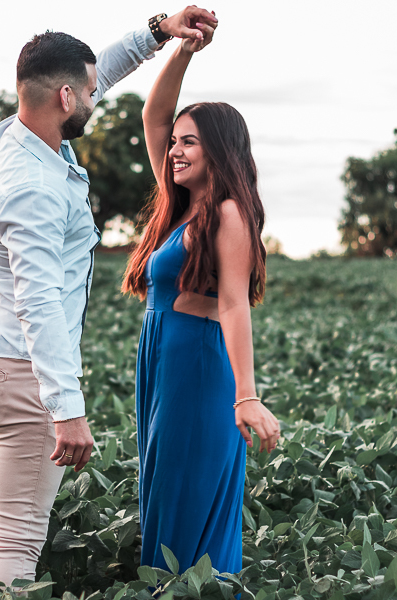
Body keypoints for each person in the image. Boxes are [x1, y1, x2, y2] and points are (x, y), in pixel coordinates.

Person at [0, 8, 219, 594]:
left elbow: (93, 73)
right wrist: (66, 410)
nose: (98, 99)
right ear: (66, 98)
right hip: (21, 376)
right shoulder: (36, 189)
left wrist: (157, 33)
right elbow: (38, 301)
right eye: (90, 94)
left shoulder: (12, 136)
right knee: (17, 539)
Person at [121, 24, 282, 576]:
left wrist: (246, 397)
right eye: (176, 143)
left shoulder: (230, 212)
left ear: (218, 149)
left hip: (196, 364)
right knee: (162, 496)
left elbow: (235, 304)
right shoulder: (181, 205)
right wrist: (183, 51)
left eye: (190, 142)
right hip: (161, 361)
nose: (175, 150)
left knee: (184, 503)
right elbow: (152, 118)